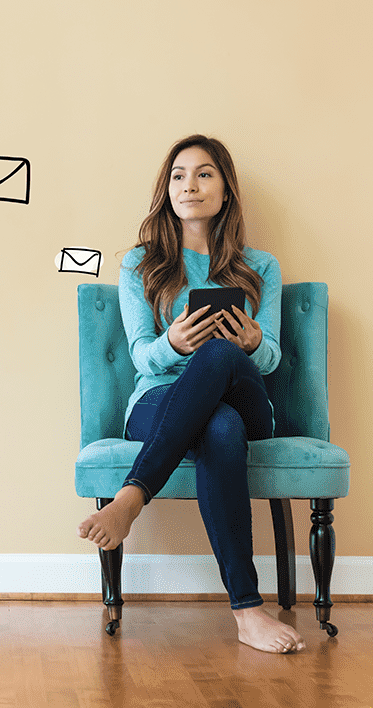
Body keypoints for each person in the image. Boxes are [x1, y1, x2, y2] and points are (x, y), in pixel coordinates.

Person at [77, 134, 305, 654]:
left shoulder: (260, 267)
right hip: (159, 400)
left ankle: (132, 497)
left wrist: (250, 343)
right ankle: (248, 612)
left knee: (222, 357)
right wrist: (171, 342)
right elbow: (141, 357)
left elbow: (269, 356)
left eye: (204, 174)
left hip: (249, 401)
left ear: (225, 190)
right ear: (167, 190)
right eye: (179, 175)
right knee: (218, 426)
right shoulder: (140, 264)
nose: (190, 185)